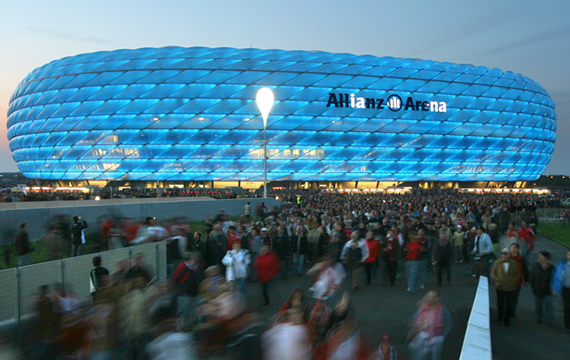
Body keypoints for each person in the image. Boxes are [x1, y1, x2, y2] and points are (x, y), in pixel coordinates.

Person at [408, 290, 452, 360]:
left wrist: (442, 337)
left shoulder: (443, 310)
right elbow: (415, 319)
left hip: (437, 339)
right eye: (430, 297)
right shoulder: (423, 308)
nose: (431, 299)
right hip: (423, 338)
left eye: (434, 297)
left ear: (438, 298)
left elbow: (448, 324)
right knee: (419, 356)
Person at [171, 251, 204, 331]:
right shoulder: (182, 266)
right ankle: (180, 327)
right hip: (184, 291)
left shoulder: (197, 267)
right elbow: (175, 278)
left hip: (194, 292)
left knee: (193, 309)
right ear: (191, 258)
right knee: (182, 310)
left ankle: (192, 325)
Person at [491, 248, 521, 326]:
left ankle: (507, 320)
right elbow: (493, 273)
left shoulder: (514, 263)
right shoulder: (498, 263)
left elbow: (518, 273)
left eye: (505, 254)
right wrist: (497, 279)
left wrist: (513, 281)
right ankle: (499, 317)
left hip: (510, 287)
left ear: (508, 255)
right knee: (500, 303)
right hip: (500, 286)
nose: (503, 256)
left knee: (509, 304)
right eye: (502, 254)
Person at [530, 250, 555, 324]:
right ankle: (539, 317)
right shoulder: (536, 265)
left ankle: (550, 320)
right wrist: (532, 285)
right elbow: (532, 276)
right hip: (537, 289)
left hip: (547, 290)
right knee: (538, 305)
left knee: (548, 304)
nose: (539, 257)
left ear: (545, 257)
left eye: (541, 255)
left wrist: (553, 288)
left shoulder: (551, 267)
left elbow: (554, 278)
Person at [509, 243, 529, 317]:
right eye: (512, 247)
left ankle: (512, 311)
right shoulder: (508, 257)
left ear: (517, 249)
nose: (513, 249)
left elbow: (525, 270)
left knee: (515, 297)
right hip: (509, 281)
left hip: (517, 282)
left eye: (514, 247)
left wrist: (526, 280)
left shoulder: (522, 259)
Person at [552, 249, 570, 332]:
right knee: (567, 306)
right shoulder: (563, 264)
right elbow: (557, 277)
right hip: (566, 289)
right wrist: (555, 289)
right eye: (569, 255)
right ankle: (568, 325)